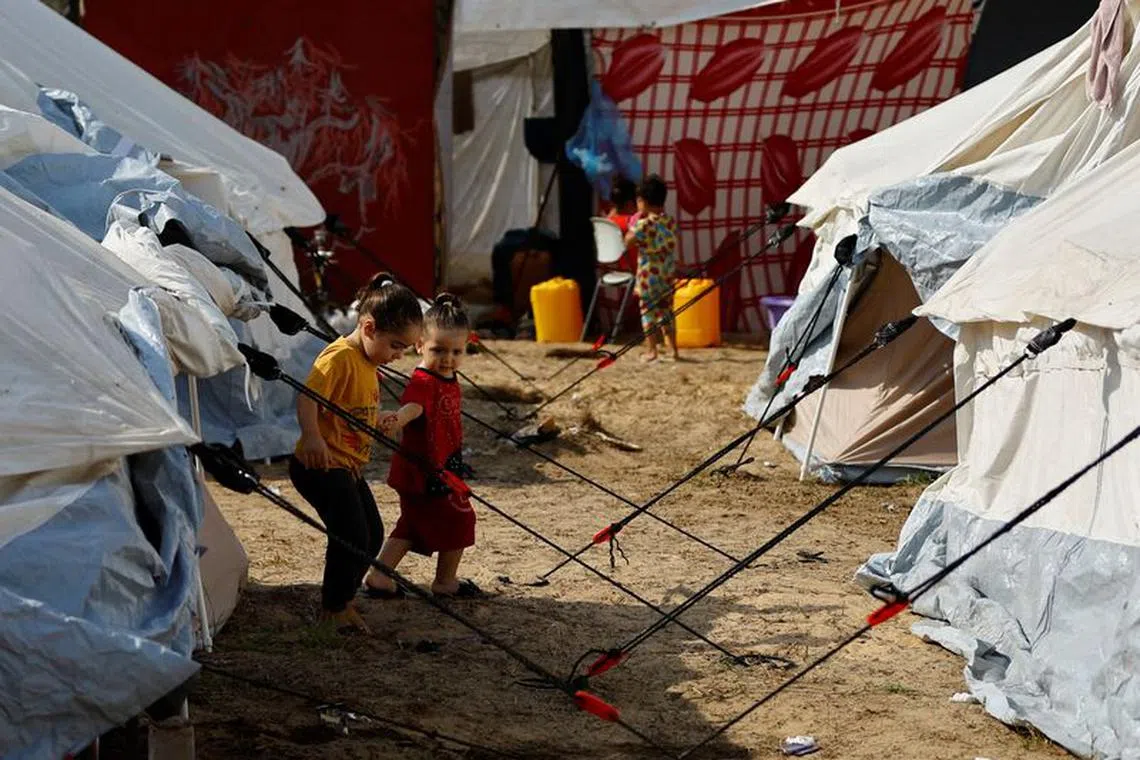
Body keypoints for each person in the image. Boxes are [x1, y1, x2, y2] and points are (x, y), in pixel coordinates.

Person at [289, 272, 424, 634]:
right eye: (396, 346)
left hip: (347, 465)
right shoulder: (339, 358)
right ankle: (333, 607)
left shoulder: (368, 363)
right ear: (368, 327)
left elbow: (347, 405)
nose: (398, 356)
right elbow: (307, 398)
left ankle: (343, 599)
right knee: (350, 533)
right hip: (319, 464)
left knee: (372, 535)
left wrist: (376, 419)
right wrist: (313, 437)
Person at [364, 294, 481, 599]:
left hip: (439, 466)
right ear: (419, 345)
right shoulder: (424, 381)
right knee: (460, 518)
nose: (448, 358)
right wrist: (398, 419)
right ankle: (445, 582)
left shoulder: (448, 375)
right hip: (425, 471)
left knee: (411, 524)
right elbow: (414, 406)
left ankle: (379, 575)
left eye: (457, 351)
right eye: (438, 350)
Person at [625, 174, 680, 362]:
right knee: (667, 311)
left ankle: (652, 350)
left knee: (647, 312)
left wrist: (634, 225)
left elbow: (628, 242)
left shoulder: (644, 224)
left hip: (648, 275)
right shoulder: (670, 222)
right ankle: (673, 349)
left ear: (642, 201)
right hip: (666, 274)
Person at [606, 177, 639, 272]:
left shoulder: (607, 221)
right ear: (629, 204)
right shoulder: (630, 223)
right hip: (633, 267)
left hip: (612, 268)